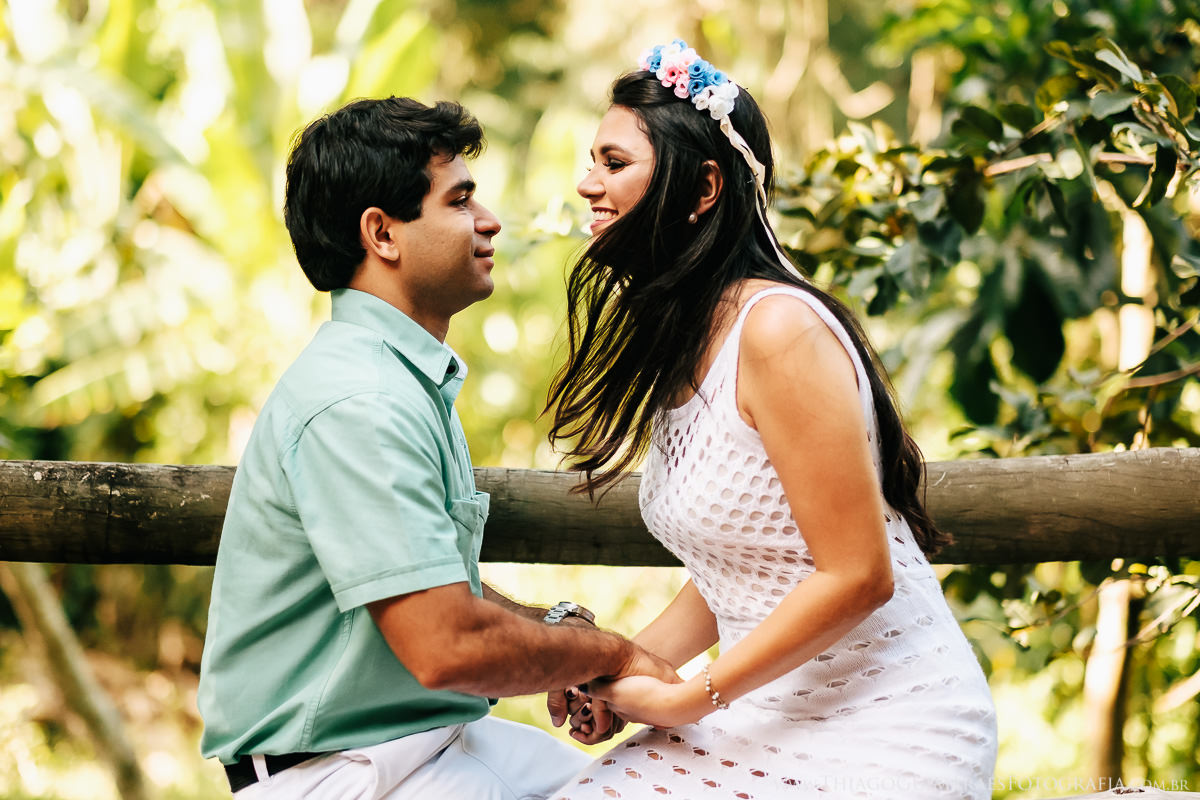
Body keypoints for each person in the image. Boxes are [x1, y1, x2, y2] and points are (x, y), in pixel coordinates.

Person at [543, 41, 997, 799]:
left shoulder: (778, 330)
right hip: (758, 710)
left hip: (892, 729)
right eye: (592, 160)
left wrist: (689, 696)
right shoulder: (684, 335)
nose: (587, 183)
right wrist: (619, 670)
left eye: (614, 163)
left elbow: (858, 574)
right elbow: (743, 568)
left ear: (703, 189)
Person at [196, 96, 676, 800]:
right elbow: (446, 643)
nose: (489, 222)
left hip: (430, 744)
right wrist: (614, 653)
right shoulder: (359, 401)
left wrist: (561, 639)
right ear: (382, 234)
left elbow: (441, 592)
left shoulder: (397, 375)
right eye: (459, 202)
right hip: (340, 774)